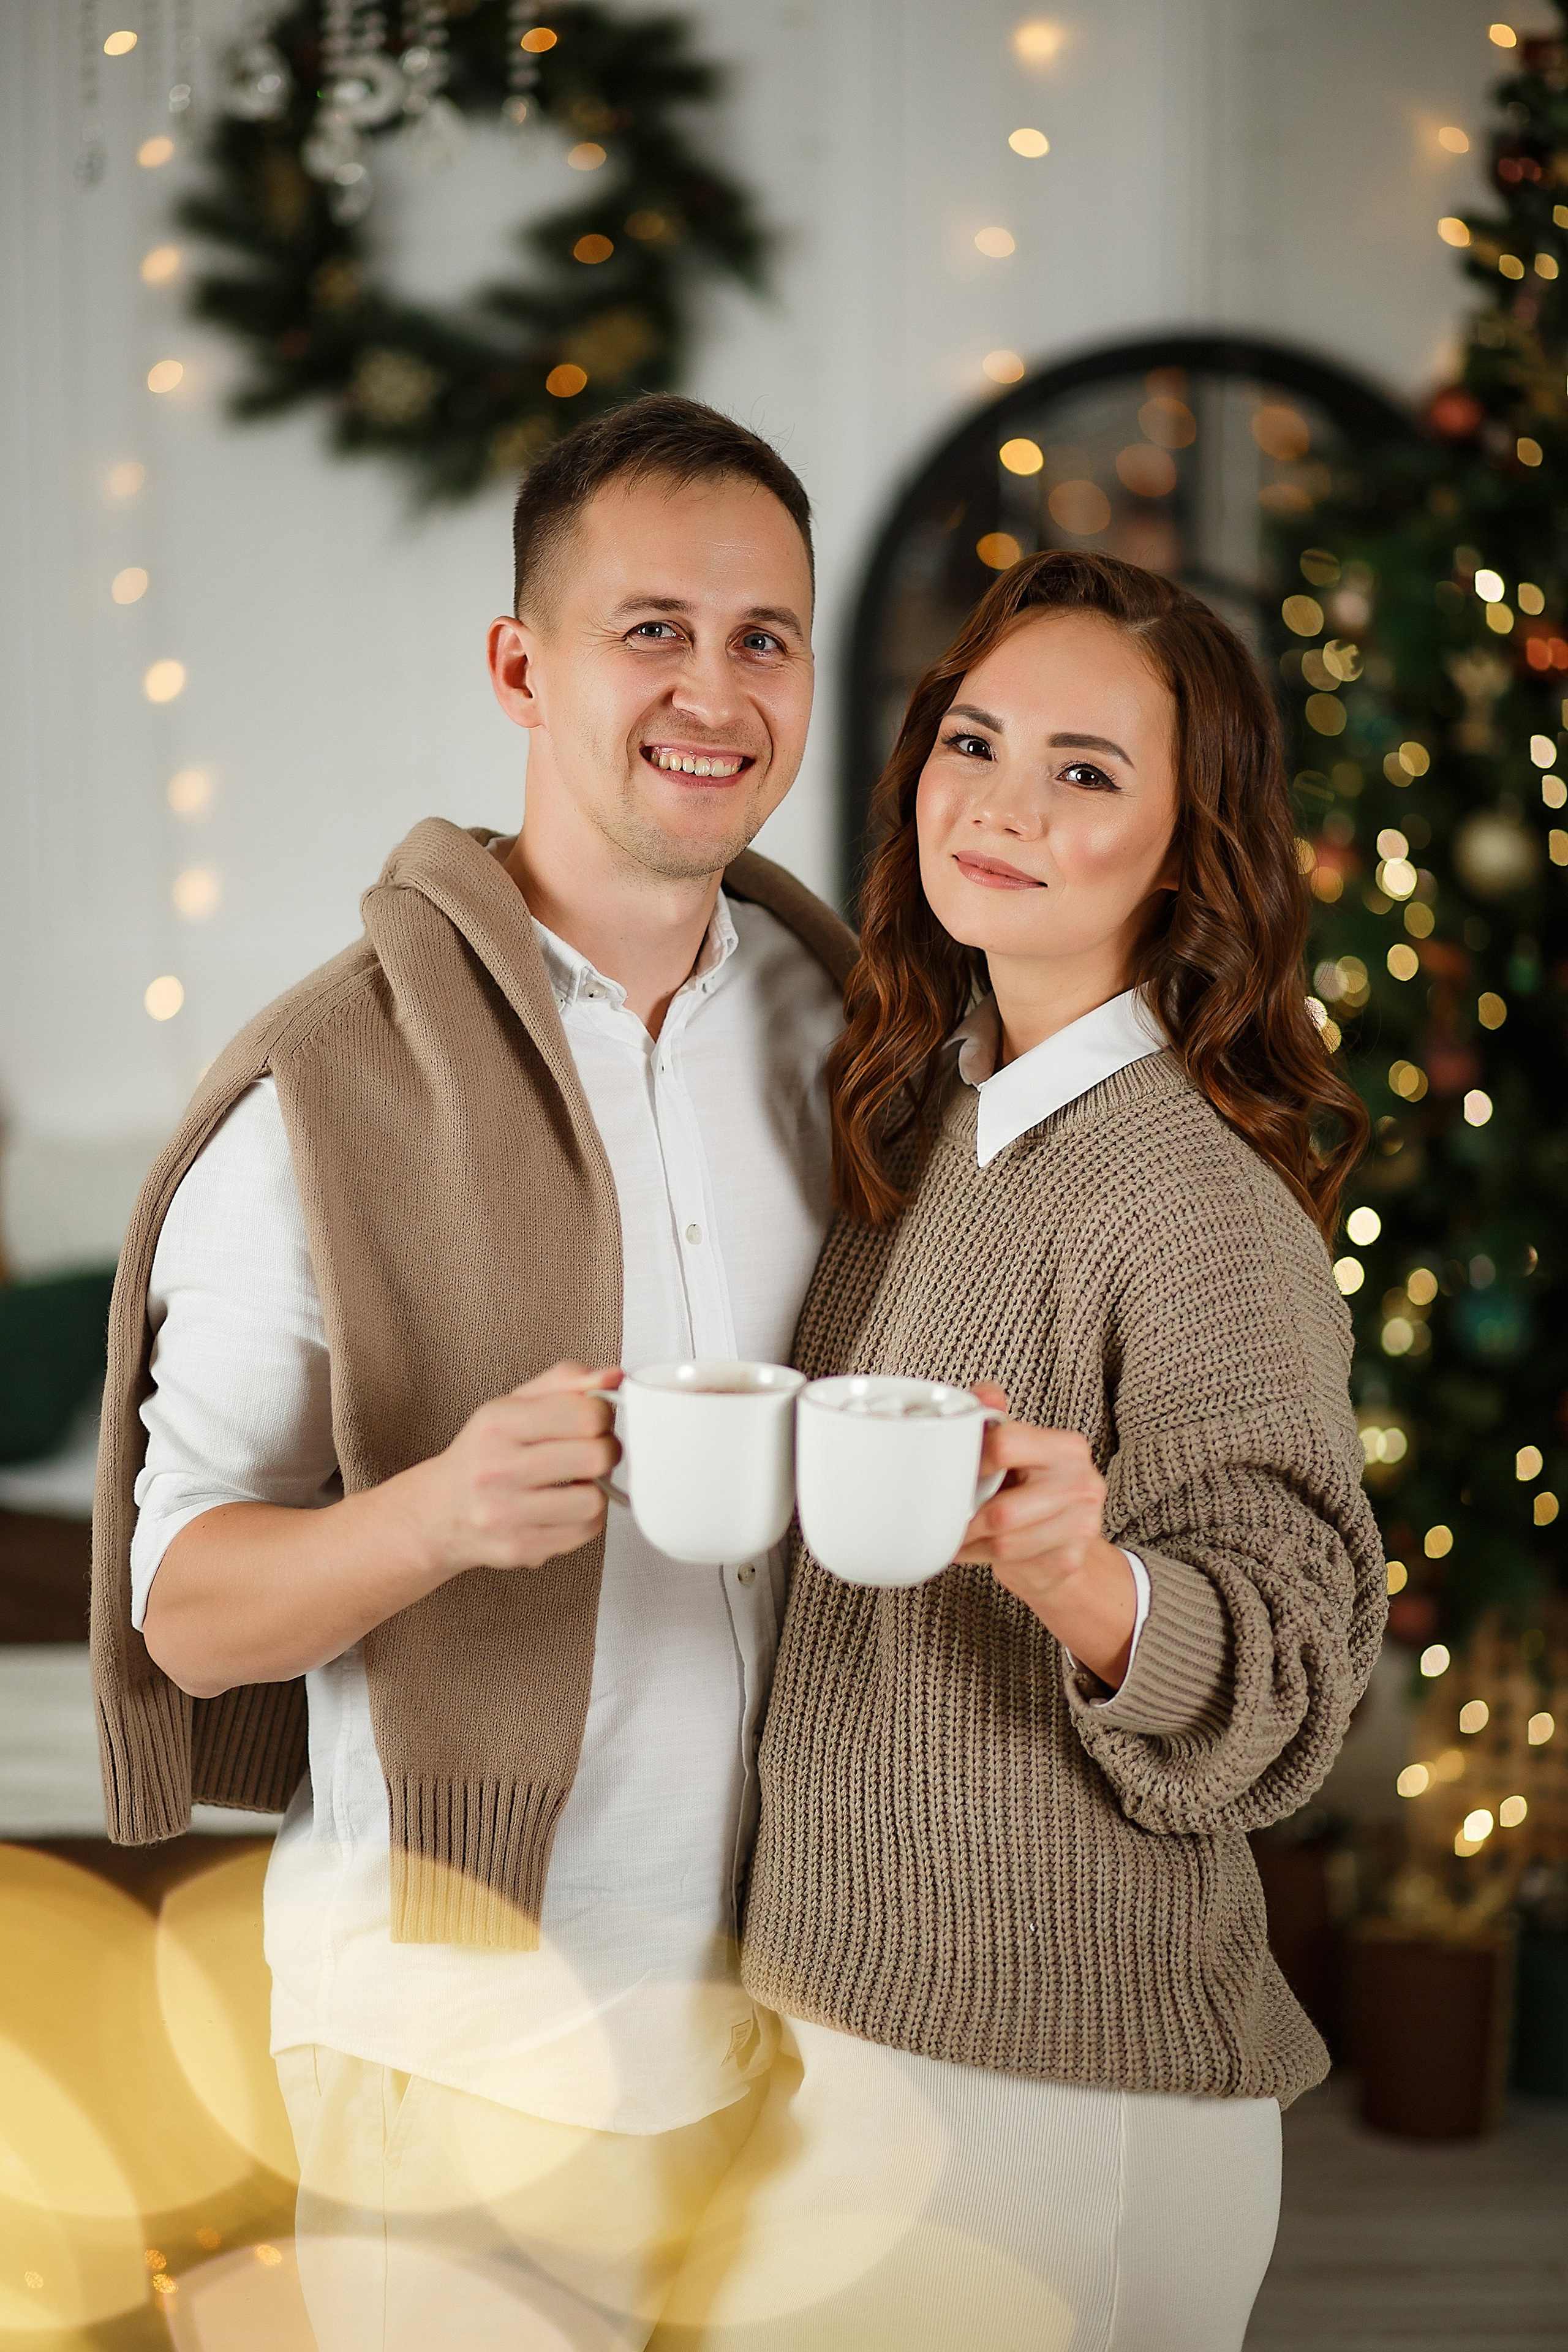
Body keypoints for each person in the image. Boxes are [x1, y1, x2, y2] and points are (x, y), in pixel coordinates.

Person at [89, 394, 855, 2351]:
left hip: (813, 2038)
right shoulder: (326, 1087)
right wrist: (437, 1513)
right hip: (461, 2056)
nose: (715, 689)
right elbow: (182, 1616)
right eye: (651, 629)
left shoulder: (848, 1038)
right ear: (522, 662)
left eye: (764, 635)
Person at [652, 550, 1385, 2352]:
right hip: (860, 2046)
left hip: (1060, 2086)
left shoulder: (1192, 1204)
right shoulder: (931, 1121)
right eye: (973, 743)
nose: (1001, 805)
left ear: (1187, 843)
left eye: (1085, 771)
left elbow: (1300, 1678)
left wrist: (1089, 1573)